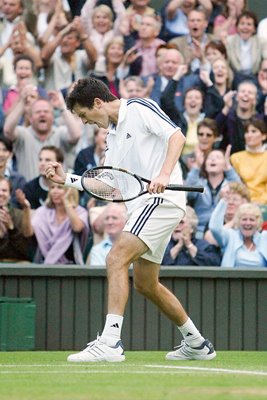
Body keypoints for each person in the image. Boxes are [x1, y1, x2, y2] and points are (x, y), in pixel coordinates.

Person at [46, 76, 216, 362]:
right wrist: (67, 179)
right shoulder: (110, 140)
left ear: (98, 103)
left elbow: (177, 136)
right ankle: (197, 343)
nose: (86, 123)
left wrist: (164, 174)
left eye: (85, 115)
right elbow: (112, 188)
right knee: (145, 284)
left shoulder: (138, 107)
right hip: (142, 208)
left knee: (115, 259)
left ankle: (110, 343)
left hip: (161, 202)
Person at [3, 88, 81, 180]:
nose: (42, 114)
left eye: (46, 111)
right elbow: (7, 130)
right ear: (30, 118)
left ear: (53, 117)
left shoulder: (60, 132)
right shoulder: (23, 134)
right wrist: (22, 103)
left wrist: (62, 106)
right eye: (38, 112)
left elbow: (76, 135)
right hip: (29, 192)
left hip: (58, 191)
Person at [185, 147, 241, 238]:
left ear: (224, 164)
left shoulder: (229, 184)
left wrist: (229, 168)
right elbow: (188, 192)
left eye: (218, 157)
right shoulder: (199, 183)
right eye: (210, 158)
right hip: (199, 230)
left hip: (224, 229)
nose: (213, 159)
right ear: (205, 164)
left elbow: (241, 191)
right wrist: (196, 167)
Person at [31, 184, 89, 265]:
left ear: (70, 191)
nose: (54, 191)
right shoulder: (41, 212)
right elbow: (29, 232)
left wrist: (67, 202)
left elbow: (77, 227)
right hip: (44, 265)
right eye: (52, 187)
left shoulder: (80, 212)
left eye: (60, 187)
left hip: (71, 267)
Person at [209, 200, 267, 268]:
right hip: (231, 278)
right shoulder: (231, 236)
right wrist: (224, 201)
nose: (248, 223)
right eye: (244, 219)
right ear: (238, 221)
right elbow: (214, 228)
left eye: (252, 220)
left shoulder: (264, 238)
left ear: (258, 222)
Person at [230, 118, 267, 205]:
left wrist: (260, 203)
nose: (249, 135)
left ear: (264, 136)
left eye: (254, 131)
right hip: (241, 203)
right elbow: (235, 186)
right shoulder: (235, 158)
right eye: (247, 132)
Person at [0, 176, 33, 262]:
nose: (0, 194)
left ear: (10, 195)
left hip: (15, 263)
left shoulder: (18, 215)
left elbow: (25, 251)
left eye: (4, 190)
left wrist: (11, 229)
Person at [23, 145, 65, 209]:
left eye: (47, 160)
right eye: (40, 160)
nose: (42, 163)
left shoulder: (69, 188)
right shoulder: (29, 188)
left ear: (59, 164)